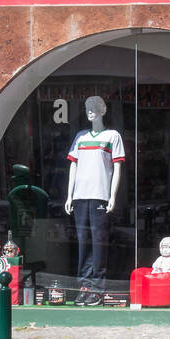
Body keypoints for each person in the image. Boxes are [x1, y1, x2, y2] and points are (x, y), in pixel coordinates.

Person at [64, 97, 124, 306]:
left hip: (100, 196)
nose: (90, 112)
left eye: (94, 108)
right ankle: (84, 287)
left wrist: (113, 196)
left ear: (102, 111)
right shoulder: (80, 137)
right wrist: (69, 195)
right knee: (83, 244)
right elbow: (73, 166)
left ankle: (98, 289)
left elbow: (117, 168)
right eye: (87, 108)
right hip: (80, 197)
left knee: (98, 244)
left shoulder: (112, 136)